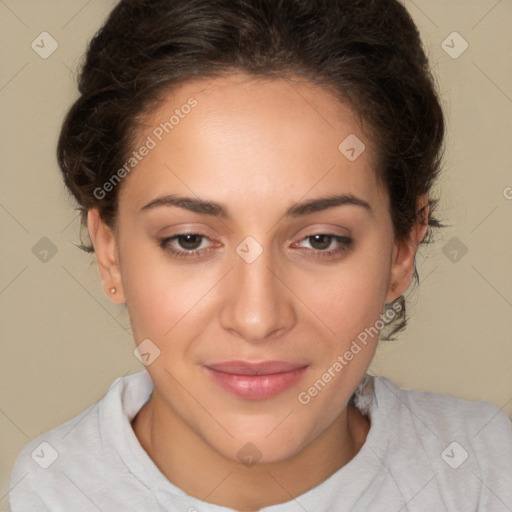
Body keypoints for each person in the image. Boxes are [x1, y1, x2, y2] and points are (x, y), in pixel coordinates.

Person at [8, 0, 512, 510]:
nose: (256, 318)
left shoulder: (485, 473)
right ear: (110, 252)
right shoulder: (49, 491)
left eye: (321, 240)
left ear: (403, 248)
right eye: (189, 240)